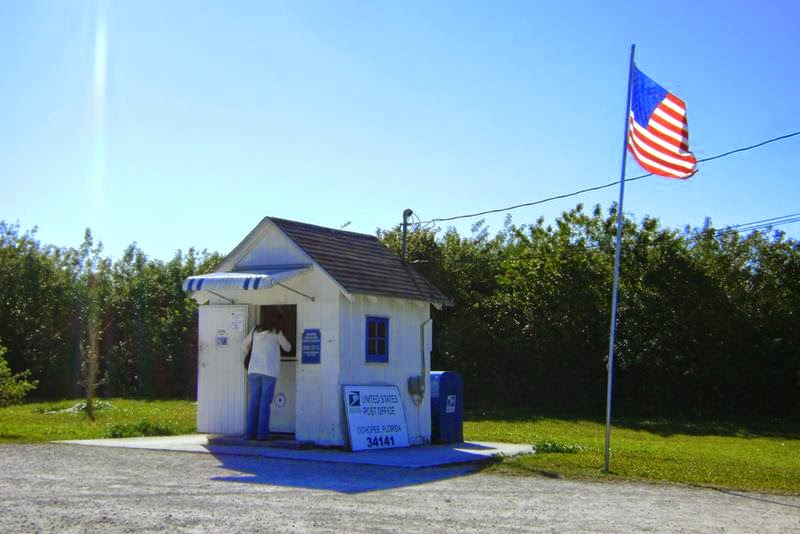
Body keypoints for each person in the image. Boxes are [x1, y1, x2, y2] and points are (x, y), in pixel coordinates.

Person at [242, 320, 291, 440]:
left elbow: (243, 345)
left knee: (254, 402)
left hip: (253, 370)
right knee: (264, 403)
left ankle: (249, 433)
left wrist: (251, 355)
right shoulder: (276, 332)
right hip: (269, 371)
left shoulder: (255, 330)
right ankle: (262, 434)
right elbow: (288, 348)